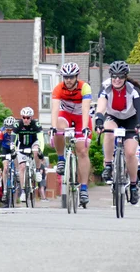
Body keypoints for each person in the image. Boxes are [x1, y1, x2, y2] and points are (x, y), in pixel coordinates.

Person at [94, 61, 140, 205]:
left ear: (125, 77)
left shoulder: (133, 89)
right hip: (113, 116)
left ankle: (134, 186)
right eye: (114, 76)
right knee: (109, 132)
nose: (117, 79)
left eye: (120, 77)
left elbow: (139, 110)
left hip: (131, 119)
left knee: (129, 153)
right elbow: (101, 107)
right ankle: (108, 165)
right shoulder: (105, 87)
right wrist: (98, 120)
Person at [50, 62, 92, 207]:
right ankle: (61, 158)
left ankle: (84, 188)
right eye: (66, 77)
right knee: (58, 128)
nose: (68, 80)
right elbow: (55, 110)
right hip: (66, 115)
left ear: (76, 77)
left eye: (71, 77)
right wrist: (53, 127)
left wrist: (85, 127)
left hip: (81, 118)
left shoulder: (84, 87)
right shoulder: (58, 89)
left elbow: (86, 109)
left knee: (82, 151)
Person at [13, 107, 44, 202]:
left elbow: (41, 139)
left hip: (33, 143)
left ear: (31, 117)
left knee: (36, 151)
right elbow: (13, 139)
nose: (26, 119)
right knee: (22, 167)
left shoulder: (36, 124)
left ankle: (38, 170)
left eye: (28, 117)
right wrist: (13, 149)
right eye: (24, 117)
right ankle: (23, 191)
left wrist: (40, 150)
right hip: (22, 145)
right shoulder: (18, 124)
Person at [0, 116, 16, 203]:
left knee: (16, 159)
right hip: (5, 149)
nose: (9, 132)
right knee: (6, 168)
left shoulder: (16, 131)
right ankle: (4, 191)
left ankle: (17, 173)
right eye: (7, 130)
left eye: (11, 130)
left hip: (14, 147)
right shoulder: (1, 131)